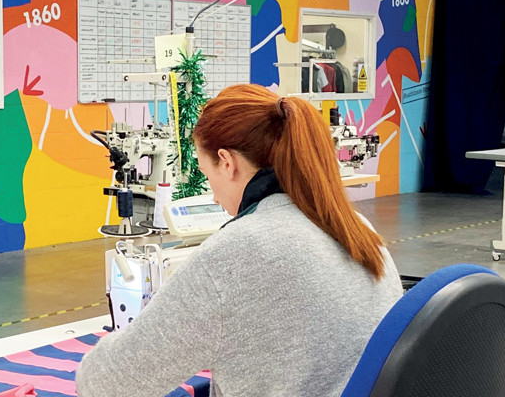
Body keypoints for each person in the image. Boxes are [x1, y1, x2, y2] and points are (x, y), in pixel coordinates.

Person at [76, 84, 402, 397]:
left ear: (228, 162)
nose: (214, 196)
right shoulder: (357, 229)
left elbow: (107, 384)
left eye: (207, 175)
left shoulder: (236, 253)